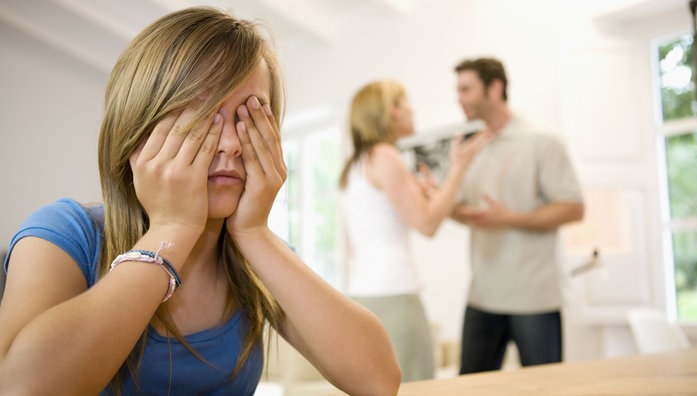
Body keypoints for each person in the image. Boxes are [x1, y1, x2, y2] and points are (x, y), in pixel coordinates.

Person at [0, 7, 401, 395]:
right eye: (202, 116)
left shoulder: (254, 255)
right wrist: (171, 231)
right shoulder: (66, 234)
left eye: (248, 119)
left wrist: (256, 232)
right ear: (138, 126)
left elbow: (378, 381)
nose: (229, 144)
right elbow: (22, 387)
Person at [339, 80, 492, 382]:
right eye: (406, 103)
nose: (413, 109)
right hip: (395, 294)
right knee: (416, 384)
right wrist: (459, 167)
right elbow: (427, 223)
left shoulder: (355, 164)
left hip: (363, 293)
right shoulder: (385, 155)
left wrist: (431, 193)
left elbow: (359, 243)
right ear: (391, 112)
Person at [450, 57, 585, 374]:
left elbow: (574, 207)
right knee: (469, 390)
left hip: (534, 300)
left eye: (466, 89)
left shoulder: (542, 141)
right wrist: (439, 203)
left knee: (543, 389)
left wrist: (507, 218)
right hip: (482, 296)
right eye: (457, 90)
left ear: (495, 88)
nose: (459, 98)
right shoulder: (466, 146)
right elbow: (467, 213)